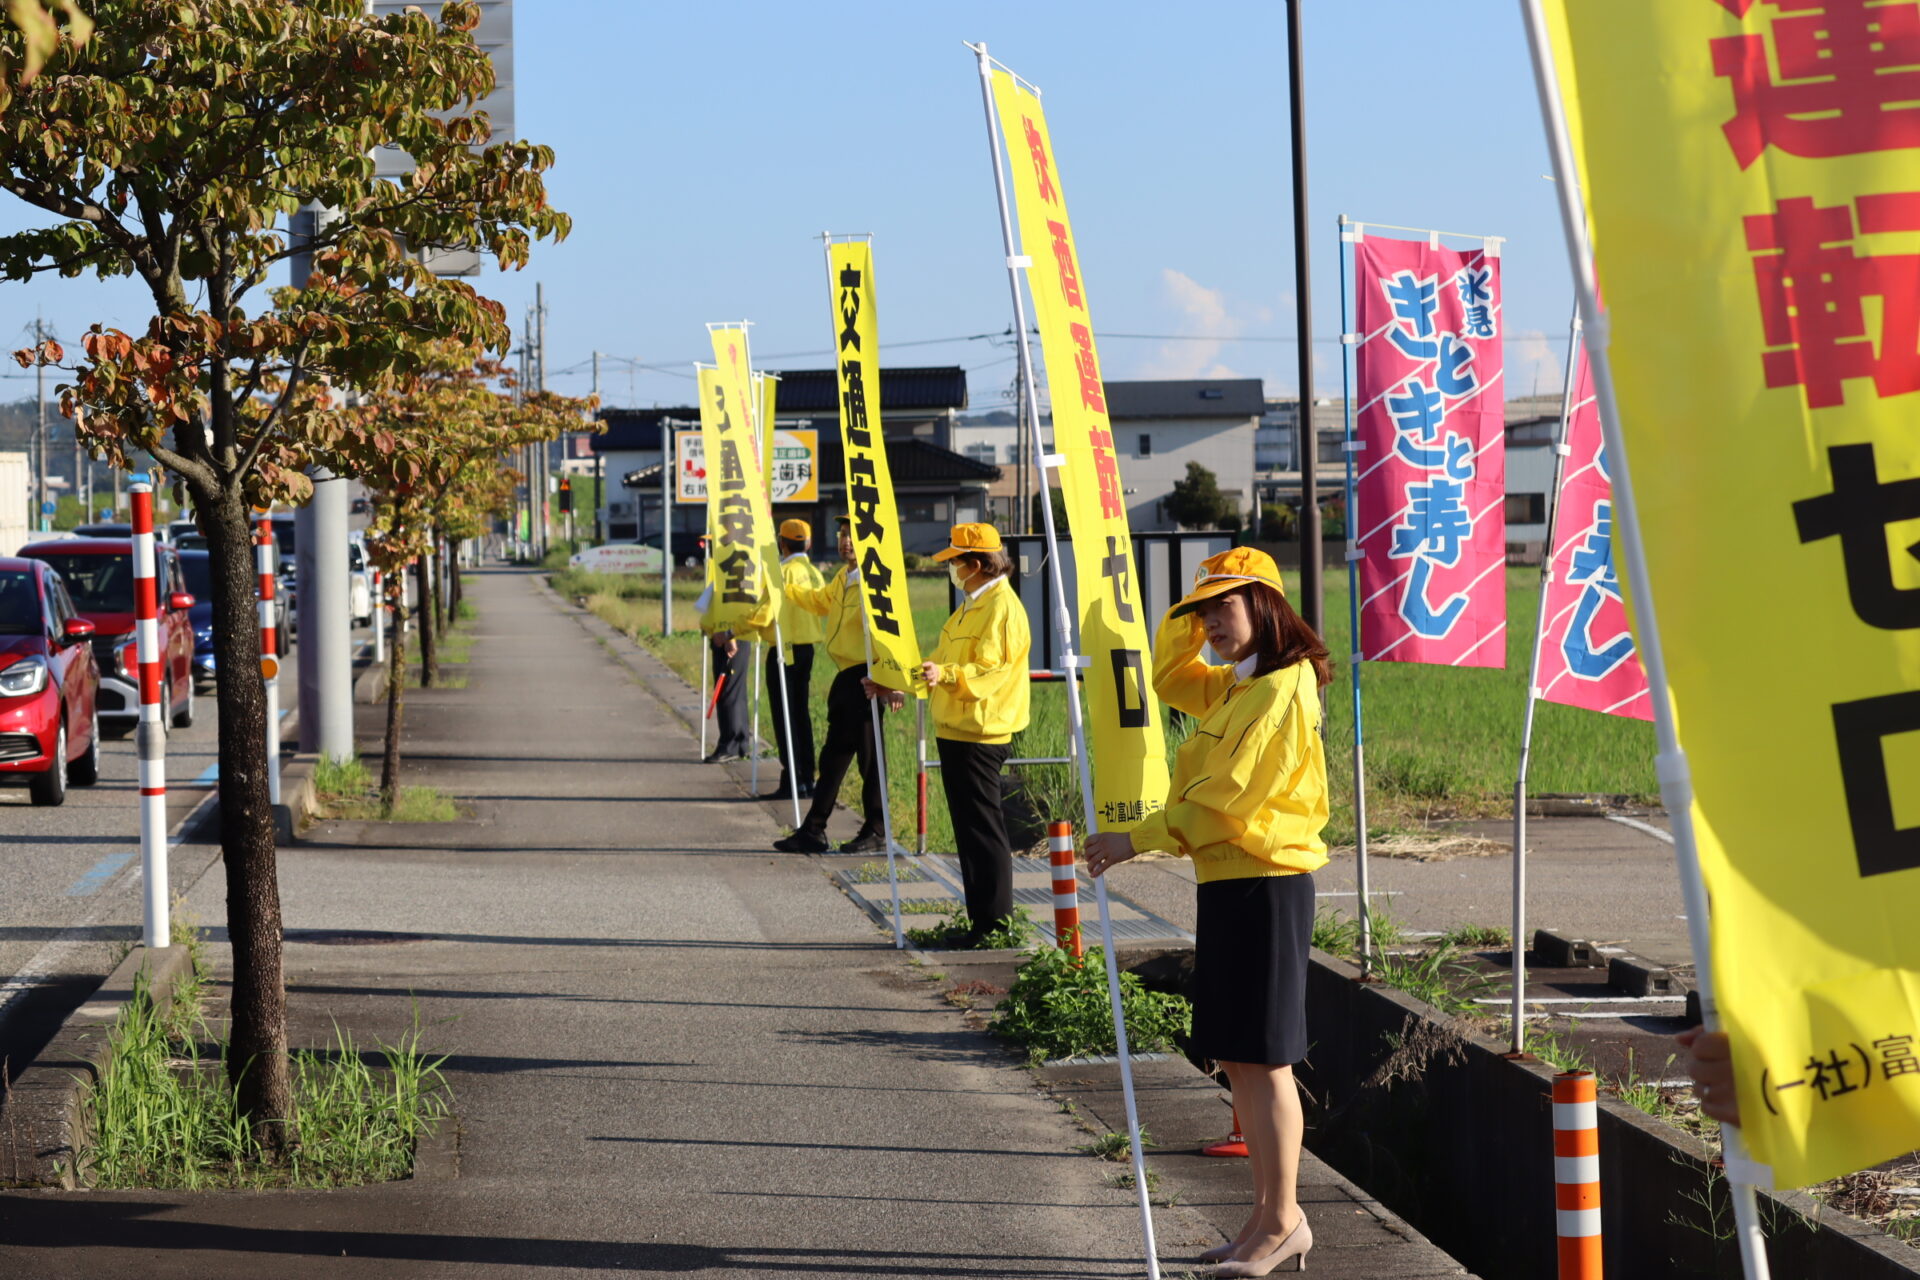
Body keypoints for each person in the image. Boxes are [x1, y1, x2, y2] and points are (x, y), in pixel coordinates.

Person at [1084, 547, 1329, 1276]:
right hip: (1228, 884)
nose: (1212, 622)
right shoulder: (1236, 688)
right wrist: (1183, 618)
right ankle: (1266, 1217)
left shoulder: (1282, 689)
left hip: (1266, 883)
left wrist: (1135, 839)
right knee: (1237, 1057)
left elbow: (1226, 802)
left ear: (1268, 607)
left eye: (1227, 605)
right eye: (1204, 609)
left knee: (1267, 1059)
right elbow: (1166, 676)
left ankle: (1283, 1221)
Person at [918, 522, 1029, 948]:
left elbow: (989, 671)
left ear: (978, 564)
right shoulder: (971, 605)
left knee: (984, 831)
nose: (952, 569)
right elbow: (939, 662)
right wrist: (900, 680)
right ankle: (980, 923)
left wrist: (944, 673)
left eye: (956, 562)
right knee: (970, 831)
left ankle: (994, 927)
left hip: (980, 735)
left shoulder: (1002, 608)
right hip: (957, 730)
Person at [773, 516, 889, 854]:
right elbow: (820, 601)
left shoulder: (873, 580)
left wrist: (888, 679)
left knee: (868, 761)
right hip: (846, 677)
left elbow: (887, 632)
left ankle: (873, 830)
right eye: (842, 534)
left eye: (853, 536)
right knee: (836, 758)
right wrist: (783, 587)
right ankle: (816, 828)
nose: (846, 542)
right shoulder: (844, 576)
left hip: (866, 677)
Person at [751, 519, 823, 801]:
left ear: (782, 543)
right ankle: (806, 777)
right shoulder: (815, 573)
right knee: (801, 715)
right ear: (808, 543)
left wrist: (734, 629)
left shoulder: (782, 572)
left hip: (784, 650)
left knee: (785, 718)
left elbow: (765, 613)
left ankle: (791, 780)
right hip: (807, 650)